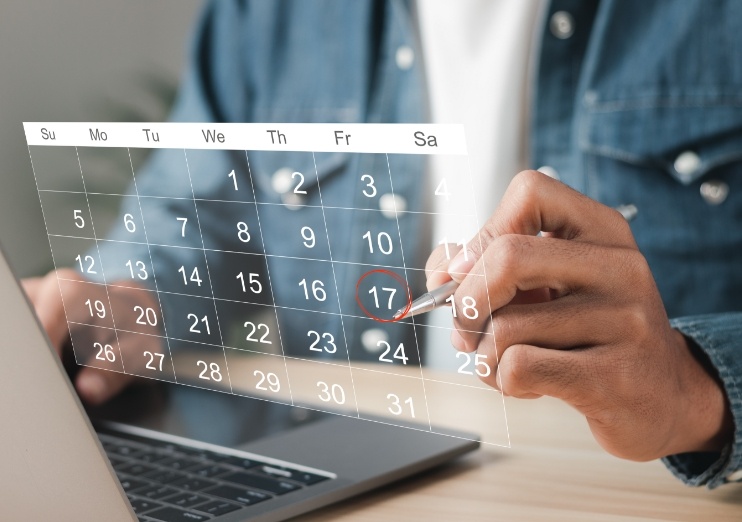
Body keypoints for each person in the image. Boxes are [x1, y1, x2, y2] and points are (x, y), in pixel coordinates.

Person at [23, 0, 742, 489]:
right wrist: (123, 298)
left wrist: (695, 392)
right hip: (358, 487)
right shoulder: (269, 16)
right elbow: (195, 210)